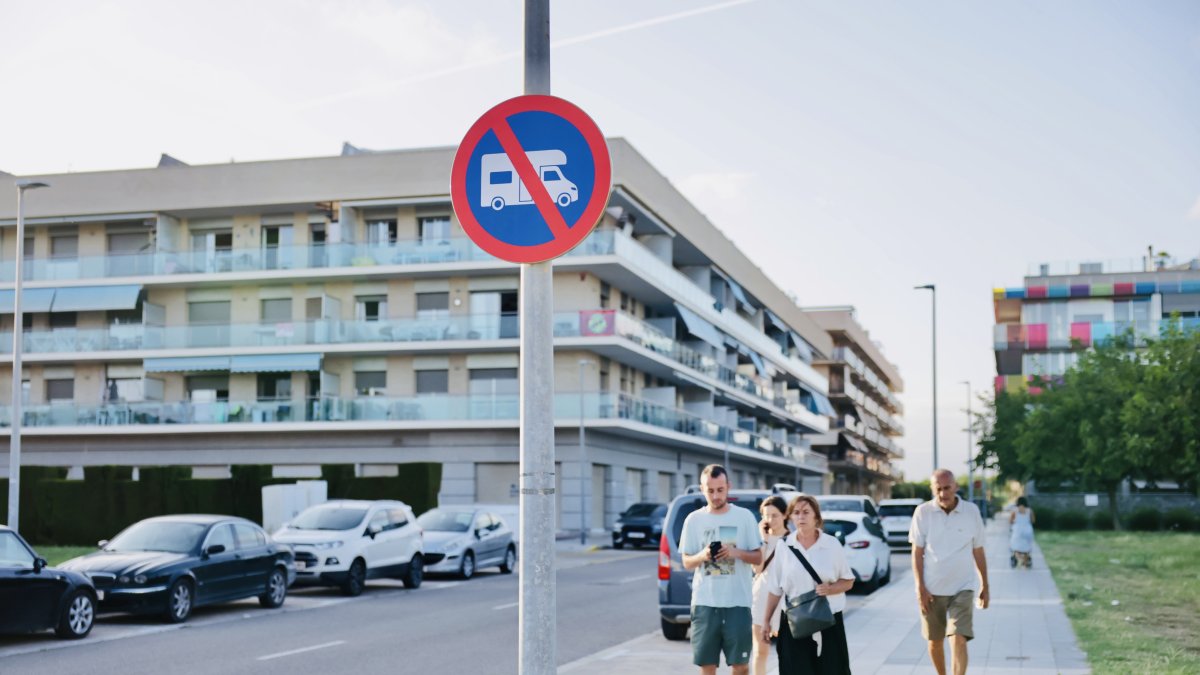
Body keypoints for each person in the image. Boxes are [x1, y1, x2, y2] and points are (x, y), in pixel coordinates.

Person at [680, 465, 763, 675]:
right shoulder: (693, 520)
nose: (715, 495)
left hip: (738, 602)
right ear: (702, 489)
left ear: (728, 487)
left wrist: (735, 552)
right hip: (705, 603)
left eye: (720, 490)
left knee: (741, 666)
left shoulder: (744, 517)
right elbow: (687, 562)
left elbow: (758, 557)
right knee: (707, 666)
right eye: (710, 490)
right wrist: (703, 555)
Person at [758, 494, 855, 675]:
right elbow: (774, 588)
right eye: (796, 513)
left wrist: (831, 588)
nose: (801, 517)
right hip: (794, 620)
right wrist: (766, 621)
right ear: (791, 517)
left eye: (806, 512)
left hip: (829, 619)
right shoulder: (784, 546)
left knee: (833, 669)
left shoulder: (831, 544)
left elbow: (848, 581)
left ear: (816, 517)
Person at [910, 469, 990, 675]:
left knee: (959, 638)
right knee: (935, 642)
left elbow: (978, 550)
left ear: (955, 487)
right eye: (938, 489)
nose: (943, 493)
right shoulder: (923, 512)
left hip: (963, 587)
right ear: (932, 489)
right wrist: (920, 588)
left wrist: (985, 585)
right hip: (931, 588)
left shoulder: (971, 511)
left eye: (947, 488)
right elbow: (917, 553)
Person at [750, 495, 790, 675]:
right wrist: (764, 540)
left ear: (784, 515)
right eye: (766, 515)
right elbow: (757, 569)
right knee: (760, 651)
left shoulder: (793, 540)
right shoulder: (760, 541)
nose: (769, 520)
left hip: (785, 602)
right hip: (761, 599)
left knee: (788, 652)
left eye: (774, 515)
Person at [1009, 497, 1035, 569]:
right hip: (1027, 530)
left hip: (1017, 531)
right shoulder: (1029, 510)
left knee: (1016, 547)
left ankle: (1019, 560)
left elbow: (1010, 521)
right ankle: (1026, 562)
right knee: (1027, 548)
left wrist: (1015, 522)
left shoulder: (1015, 510)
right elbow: (1033, 520)